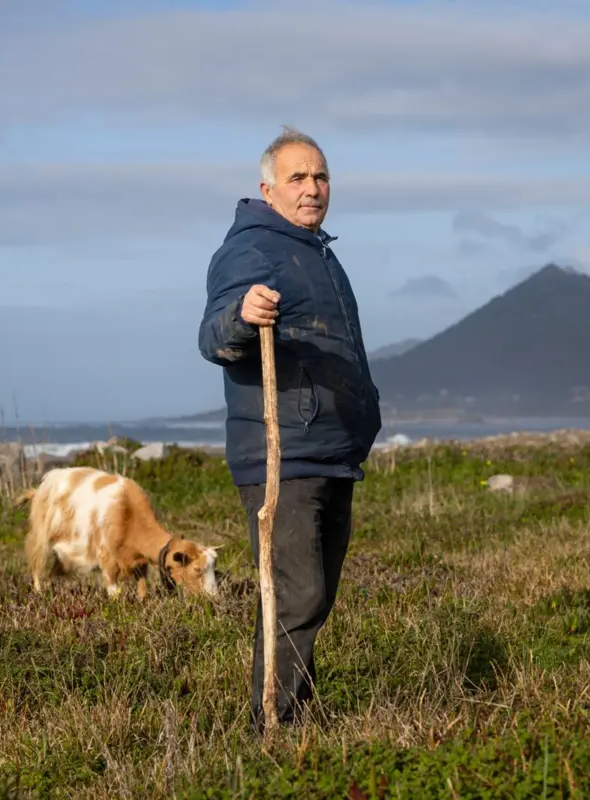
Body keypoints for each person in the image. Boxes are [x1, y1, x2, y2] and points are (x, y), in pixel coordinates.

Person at [197, 125, 383, 731]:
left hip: (332, 451)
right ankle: (271, 727)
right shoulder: (252, 250)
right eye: (298, 178)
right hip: (285, 454)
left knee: (315, 596)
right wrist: (241, 316)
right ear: (267, 188)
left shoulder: (317, 253)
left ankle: (290, 713)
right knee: (296, 594)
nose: (313, 189)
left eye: (321, 176)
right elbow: (214, 335)